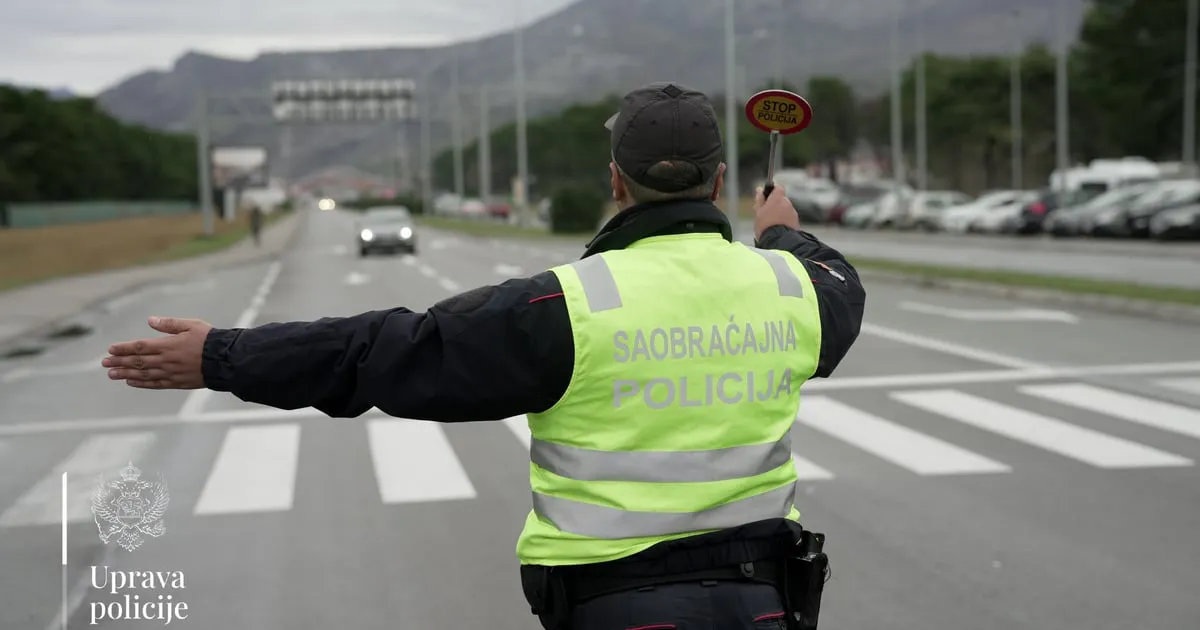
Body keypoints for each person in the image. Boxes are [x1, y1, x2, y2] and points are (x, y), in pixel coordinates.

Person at [101, 82, 866, 630]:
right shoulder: (794, 287)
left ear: (615, 182)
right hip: (763, 599)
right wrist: (781, 234)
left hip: (612, 603)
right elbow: (841, 283)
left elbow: (383, 351)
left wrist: (224, 356)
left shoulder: (566, 305)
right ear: (721, 179)